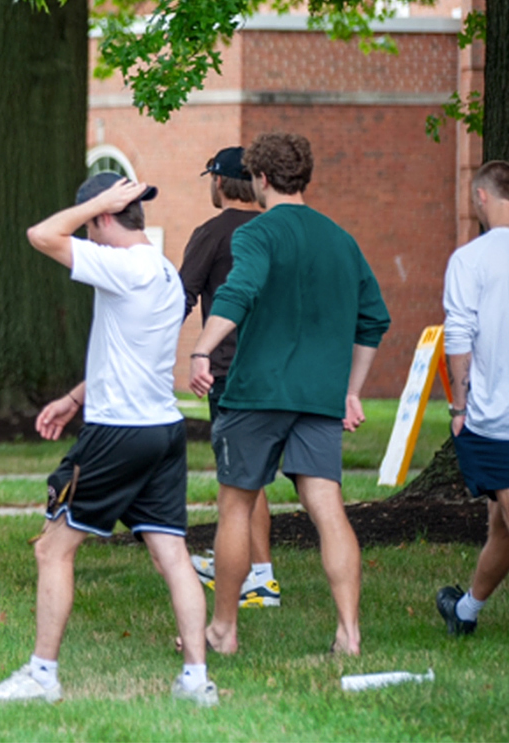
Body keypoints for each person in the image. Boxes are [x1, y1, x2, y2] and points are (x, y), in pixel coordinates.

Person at [0, 173, 216, 707]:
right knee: (172, 555)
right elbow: (129, 350)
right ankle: (197, 681)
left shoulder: (124, 263)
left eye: (92, 221)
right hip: (162, 431)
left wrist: (95, 205)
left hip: (118, 435)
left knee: (54, 549)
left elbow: (41, 235)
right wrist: (75, 397)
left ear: (103, 217)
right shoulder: (162, 271)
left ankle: (42, 675)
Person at [187, 133, 390, 656]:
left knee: (235, 508)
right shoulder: (341, 239)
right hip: (319, 395)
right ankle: (349, 631)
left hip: (257, 390)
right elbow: (374, 319)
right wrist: (351, 391)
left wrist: (201, 350)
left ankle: (224, 630)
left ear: (261, 179)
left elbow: (239, 290)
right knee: (328, 508)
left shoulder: (257, 233)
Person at [435, 160, 509, 645]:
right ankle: (466, 610)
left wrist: (459, 405)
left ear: (481, 197)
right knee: (503, 523)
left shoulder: (472, 259)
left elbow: (459, 336)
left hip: (503, 415)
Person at [180, 147, 279, 608]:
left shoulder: (214, 233)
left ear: (219, 182)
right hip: (279, 370)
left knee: (240, 478)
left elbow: (180, 297)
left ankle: (260, 579)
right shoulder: (276, 230)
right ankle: (235, 564)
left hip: (228, 374)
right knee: (249, 476)